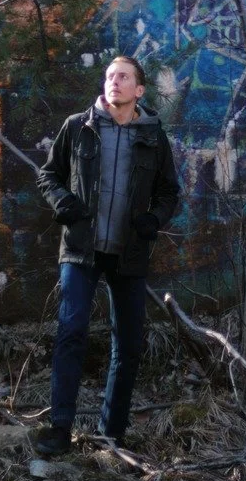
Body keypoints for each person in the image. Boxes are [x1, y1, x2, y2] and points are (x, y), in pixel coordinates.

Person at [32, 54, 181, 456]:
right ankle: (59, 429)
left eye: (124, 77)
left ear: (139, 90)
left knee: (128, 345)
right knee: (71, 331)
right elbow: (48, 174)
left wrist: (154, 218)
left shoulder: (153, 135)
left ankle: (110, 435)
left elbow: (170, 192)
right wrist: (62, 201)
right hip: (81, 249)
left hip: (129, 253)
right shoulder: (78, 127)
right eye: (110, 75)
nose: (114, 82)